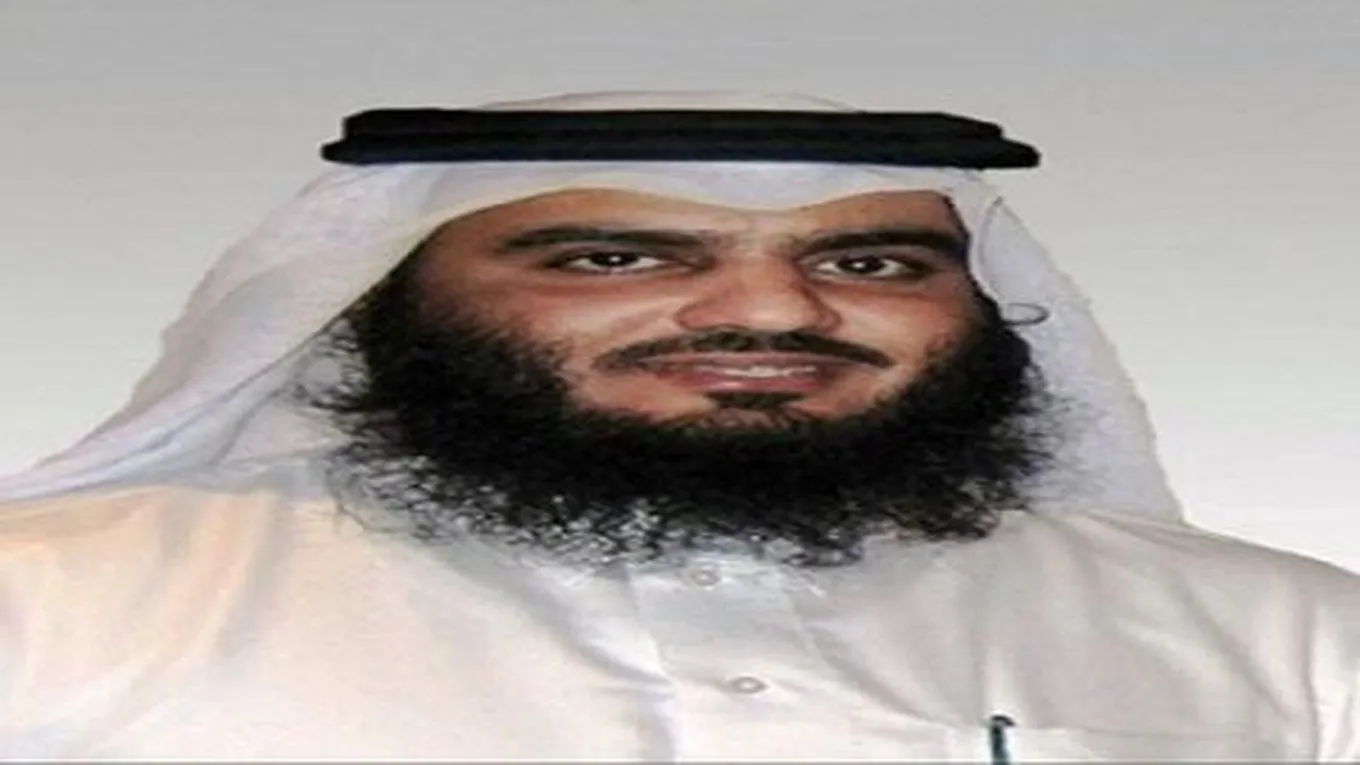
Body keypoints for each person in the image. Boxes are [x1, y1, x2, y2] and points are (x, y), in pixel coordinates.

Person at [0, 91, 1355, 761]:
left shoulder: (1286, 638)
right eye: (615, 258)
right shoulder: (51, 606)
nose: (773, 311)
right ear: (379, 303)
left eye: (871, 262)